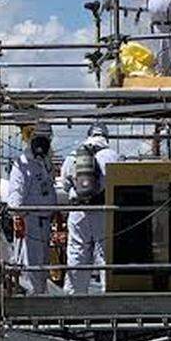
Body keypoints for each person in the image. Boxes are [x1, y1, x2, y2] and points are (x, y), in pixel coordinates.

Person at [57, 123, 118, 295]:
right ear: (106, 137)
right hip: (102, 210)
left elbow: (65, 184)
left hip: (78, 212)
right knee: (105, 256)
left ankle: (73, 300)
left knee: (77, 255)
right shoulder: (112, 155)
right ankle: (108, 298)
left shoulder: (73, 155)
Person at [6, 121, 58, 296]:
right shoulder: (22, 165)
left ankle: (40, 301)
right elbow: (15, 197)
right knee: (30, 267)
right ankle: (31, 304)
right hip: (31, 222)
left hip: (44, 222)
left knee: (42, 267)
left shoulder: (44, 163)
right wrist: (18, 217)